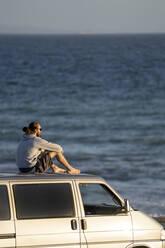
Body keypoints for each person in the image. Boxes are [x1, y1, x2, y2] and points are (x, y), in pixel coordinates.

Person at [16, 121, 80, 175]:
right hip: (32, 170)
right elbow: (58, 148)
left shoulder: (23, 140)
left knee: (42, 150)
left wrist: (44, 151)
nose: (41, 131)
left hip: (22, 170)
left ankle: (55, 168)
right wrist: (52, 152)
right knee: (56, 152)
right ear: (36, 130)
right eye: (40, 129)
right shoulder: (36, 140)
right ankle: (71, 169)